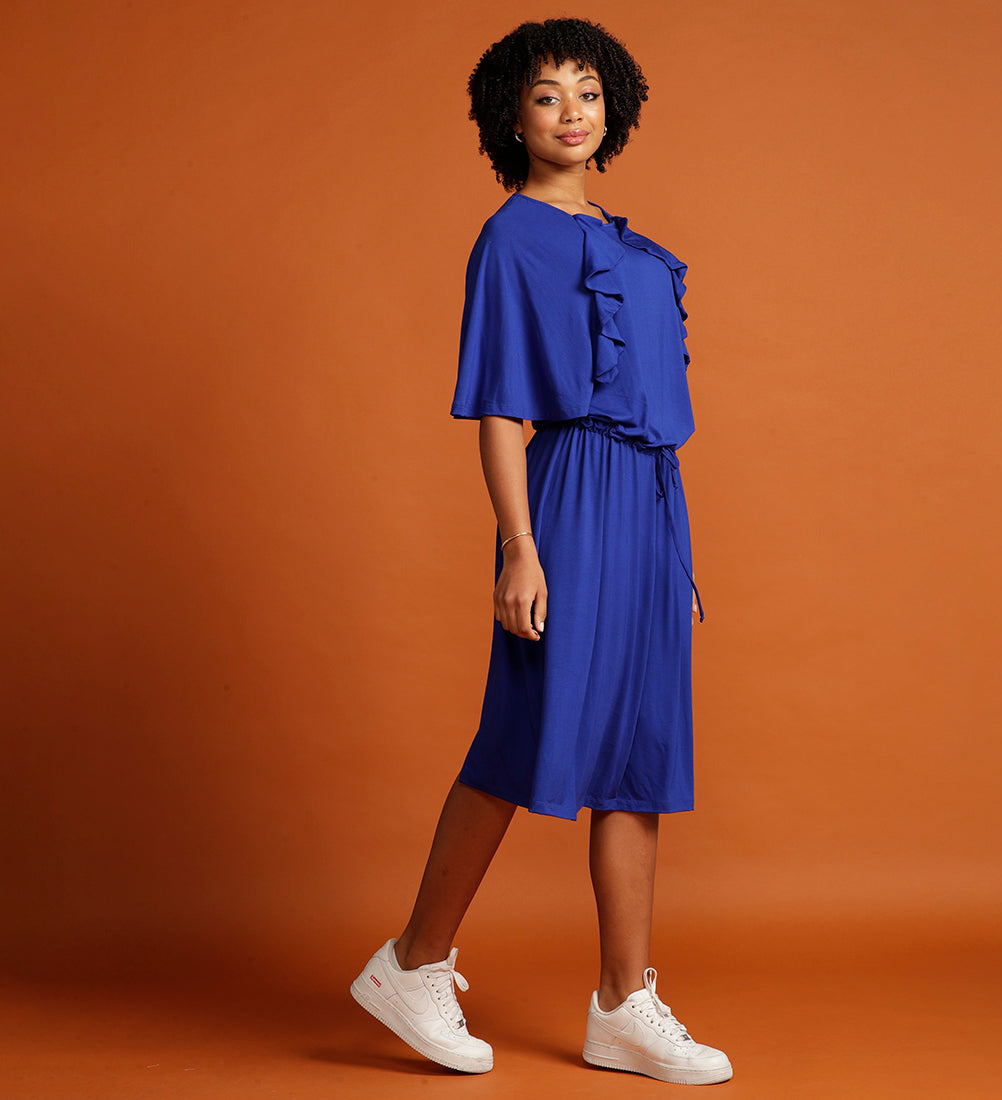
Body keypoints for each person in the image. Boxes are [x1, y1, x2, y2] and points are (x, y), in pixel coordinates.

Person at [351, 18, 732, 1086]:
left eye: (588, 95)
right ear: (508, 119)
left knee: (638, 754)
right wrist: (519, 547)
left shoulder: (624, 241)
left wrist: (662, 540)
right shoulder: (510, 237)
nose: (571, 113)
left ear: (614, 110)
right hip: (566, 498)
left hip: (651, 502)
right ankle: (410, 960)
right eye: (547, 97)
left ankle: (622, 1001)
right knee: (525, 732)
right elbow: (500, 407)